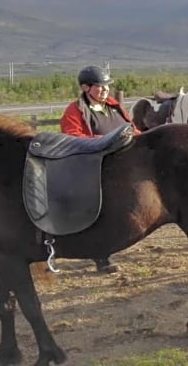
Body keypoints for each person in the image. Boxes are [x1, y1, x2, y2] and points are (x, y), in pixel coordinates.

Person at [61, 65, 140, 273]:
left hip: (121, 160)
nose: (105, 91)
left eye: (106, 87)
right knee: (96, 207)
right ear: (86, 88)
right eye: (100, 87)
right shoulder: (74, 110)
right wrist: (106, 140)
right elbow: (73, 137)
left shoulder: (114, 105)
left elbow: (131, 129)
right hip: (94, 164)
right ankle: (100, 255)